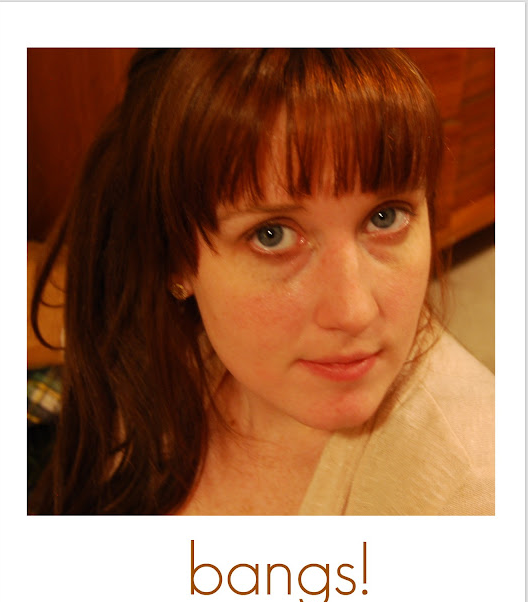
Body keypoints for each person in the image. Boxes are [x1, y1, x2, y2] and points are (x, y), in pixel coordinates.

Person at [29, 48, 494, 515]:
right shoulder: (149, 353)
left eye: (385, 216)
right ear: (173, 257)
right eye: (273, 235)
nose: (354, 312)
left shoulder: (473, 492)